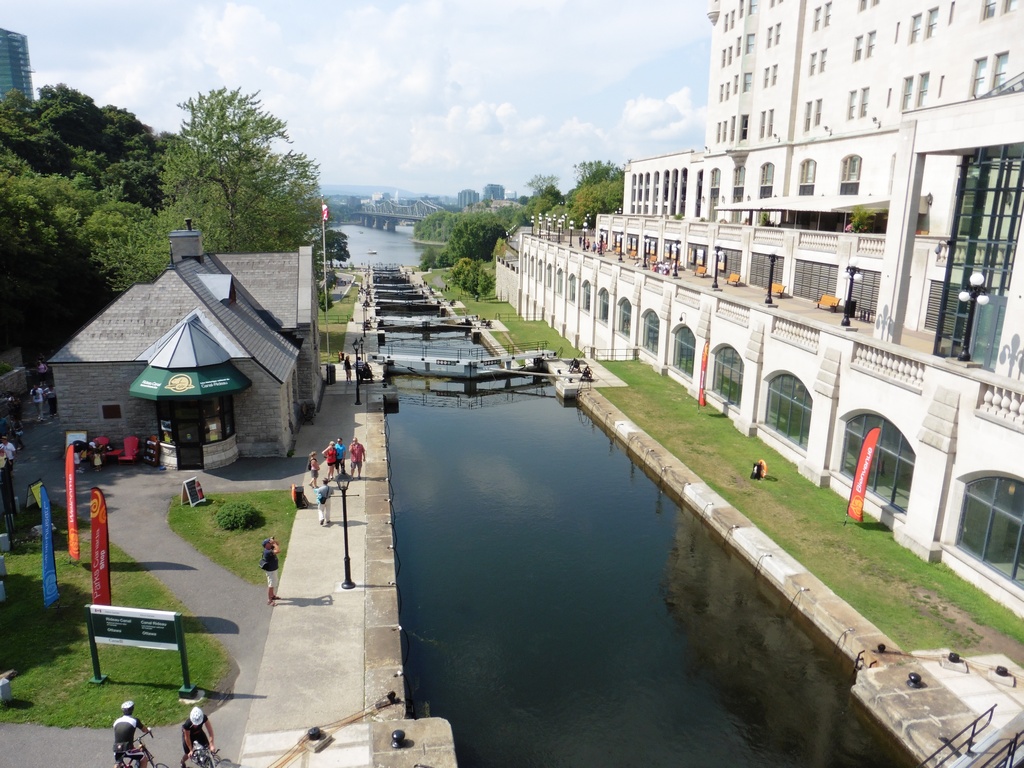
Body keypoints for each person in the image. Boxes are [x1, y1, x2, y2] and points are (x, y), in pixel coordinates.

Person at [113, 700, 153, 768]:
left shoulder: (116, 722)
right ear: (132, 709)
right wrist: (148, 730)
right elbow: (144, 730)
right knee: (144, 759)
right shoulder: (135, 721)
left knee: (118, 764)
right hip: (127, 749)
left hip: (116, 749)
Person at [262, 537, 280, 605]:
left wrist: (274, 542)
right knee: (271, 585)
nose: (270, 543)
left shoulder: (269, 548)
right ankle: (269, 600)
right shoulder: (267, 552)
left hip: (273, 570)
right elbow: (278, 550)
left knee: (273, 583)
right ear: (266, 545)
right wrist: (274, 544)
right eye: (269, 543)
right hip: (271, 571)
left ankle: (272, 596)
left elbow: (278, 544)